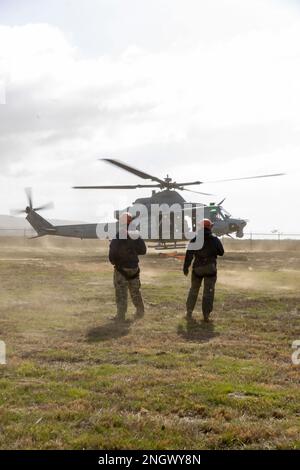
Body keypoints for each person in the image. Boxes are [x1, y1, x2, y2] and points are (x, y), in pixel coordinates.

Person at [183, 218, 224, 322]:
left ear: (200, 227)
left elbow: (189, 255)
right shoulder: (215, 239)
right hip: (210, 269)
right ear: (210, 227)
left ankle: (189, 312)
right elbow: (221, 252)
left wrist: (186, 268)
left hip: (197, 269)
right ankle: (206, 316)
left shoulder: (195, 239)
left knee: (194, 290)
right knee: (208, 292)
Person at [109, 212, 147, 321]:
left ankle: (120, 316)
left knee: (121, 293)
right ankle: (140, 312)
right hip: (134, 269)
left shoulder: (119, 234)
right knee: (135, 291)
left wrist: (114, 262)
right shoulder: (136, 235)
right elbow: (143, 251)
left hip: (121, 269)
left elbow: (112, 253)